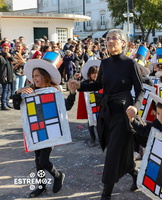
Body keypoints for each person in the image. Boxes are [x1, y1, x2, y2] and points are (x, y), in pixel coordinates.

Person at [69, 29, 144, 200]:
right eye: (108, 39)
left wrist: (136, 107)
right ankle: (134, 173)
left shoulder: (130, 63)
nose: (110, 41)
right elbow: (98, 86)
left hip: (123, 114)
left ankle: (106, 194)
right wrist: (79, 85)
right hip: (107, 113)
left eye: (114, 38)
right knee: (116, 150)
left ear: (123, 43)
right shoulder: (105, 63)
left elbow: (140, 90)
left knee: (112, 155)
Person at [12, 53, 77, 198]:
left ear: (45, 77)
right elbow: (17, 106)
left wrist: (72, 93)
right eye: (33, 76)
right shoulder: (29, 91)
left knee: (44, 160)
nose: (34, 78)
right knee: (38, 162)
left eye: (37, 76)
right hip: (35, 130)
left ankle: (58, 175)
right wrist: (18, 93)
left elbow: (66, 106)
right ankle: (41, 187)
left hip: (50, 130)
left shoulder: (54, 91)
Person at [0, 43, 14, 110]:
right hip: (4, 76)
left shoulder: (9, 56)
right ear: (2, 49)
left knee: (9, 90)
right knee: (4, 90)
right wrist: (4, 54)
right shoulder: (1, 56)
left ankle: (7, 102)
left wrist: (9, 56)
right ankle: (3, 104)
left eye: (7, 48)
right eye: (4, 48)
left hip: (10, 75)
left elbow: (14, 61)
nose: (6, 50)